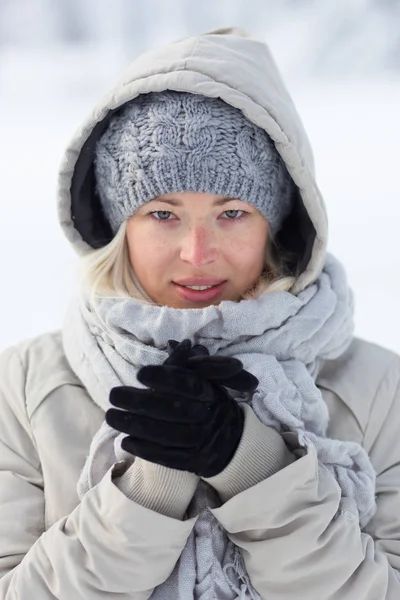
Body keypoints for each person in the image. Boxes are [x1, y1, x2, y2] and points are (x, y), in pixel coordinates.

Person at [0, 26, 399, 600]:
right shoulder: (24, 387)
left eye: (232, 212)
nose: (197, 253)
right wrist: (151, 486)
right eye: (163, 214)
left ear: (278, 225)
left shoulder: (380, 391)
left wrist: (256, 466)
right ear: (119, 227)